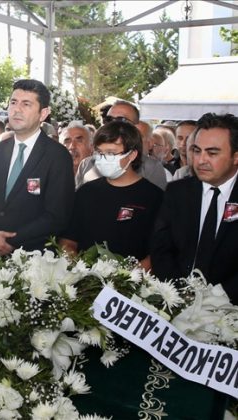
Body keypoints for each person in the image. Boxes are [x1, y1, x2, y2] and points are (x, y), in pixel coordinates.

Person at [0, 79, 75, 255]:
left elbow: (57, 216)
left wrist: (7, 242)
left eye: (26, 104)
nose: (16, 109)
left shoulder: (57, 156)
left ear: (43, 113)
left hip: (31, 260)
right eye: (13, 102)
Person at [151, 113, 238, 303]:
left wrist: (218, 300)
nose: (201, 160)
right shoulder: (177, 192)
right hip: (177, 301)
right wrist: (179, 295)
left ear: (236, 157)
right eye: (197, 151)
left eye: (212, 153)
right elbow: (161, 249)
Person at [60, 121, 163, 269]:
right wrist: (81, 270)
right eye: (100, 153)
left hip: (132, 285)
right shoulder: (85, 192)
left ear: (132, 155)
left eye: (111, 153)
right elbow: (67, 241)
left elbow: (158, 254)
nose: (103, 159)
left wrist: (124, 279)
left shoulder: (155, 198)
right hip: (85, 281)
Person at [75, 101, 168, 190]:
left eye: (121, 120)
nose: (113, 124)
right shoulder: (87, 164)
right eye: (108, 119)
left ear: (135, 127)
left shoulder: (151, 168)